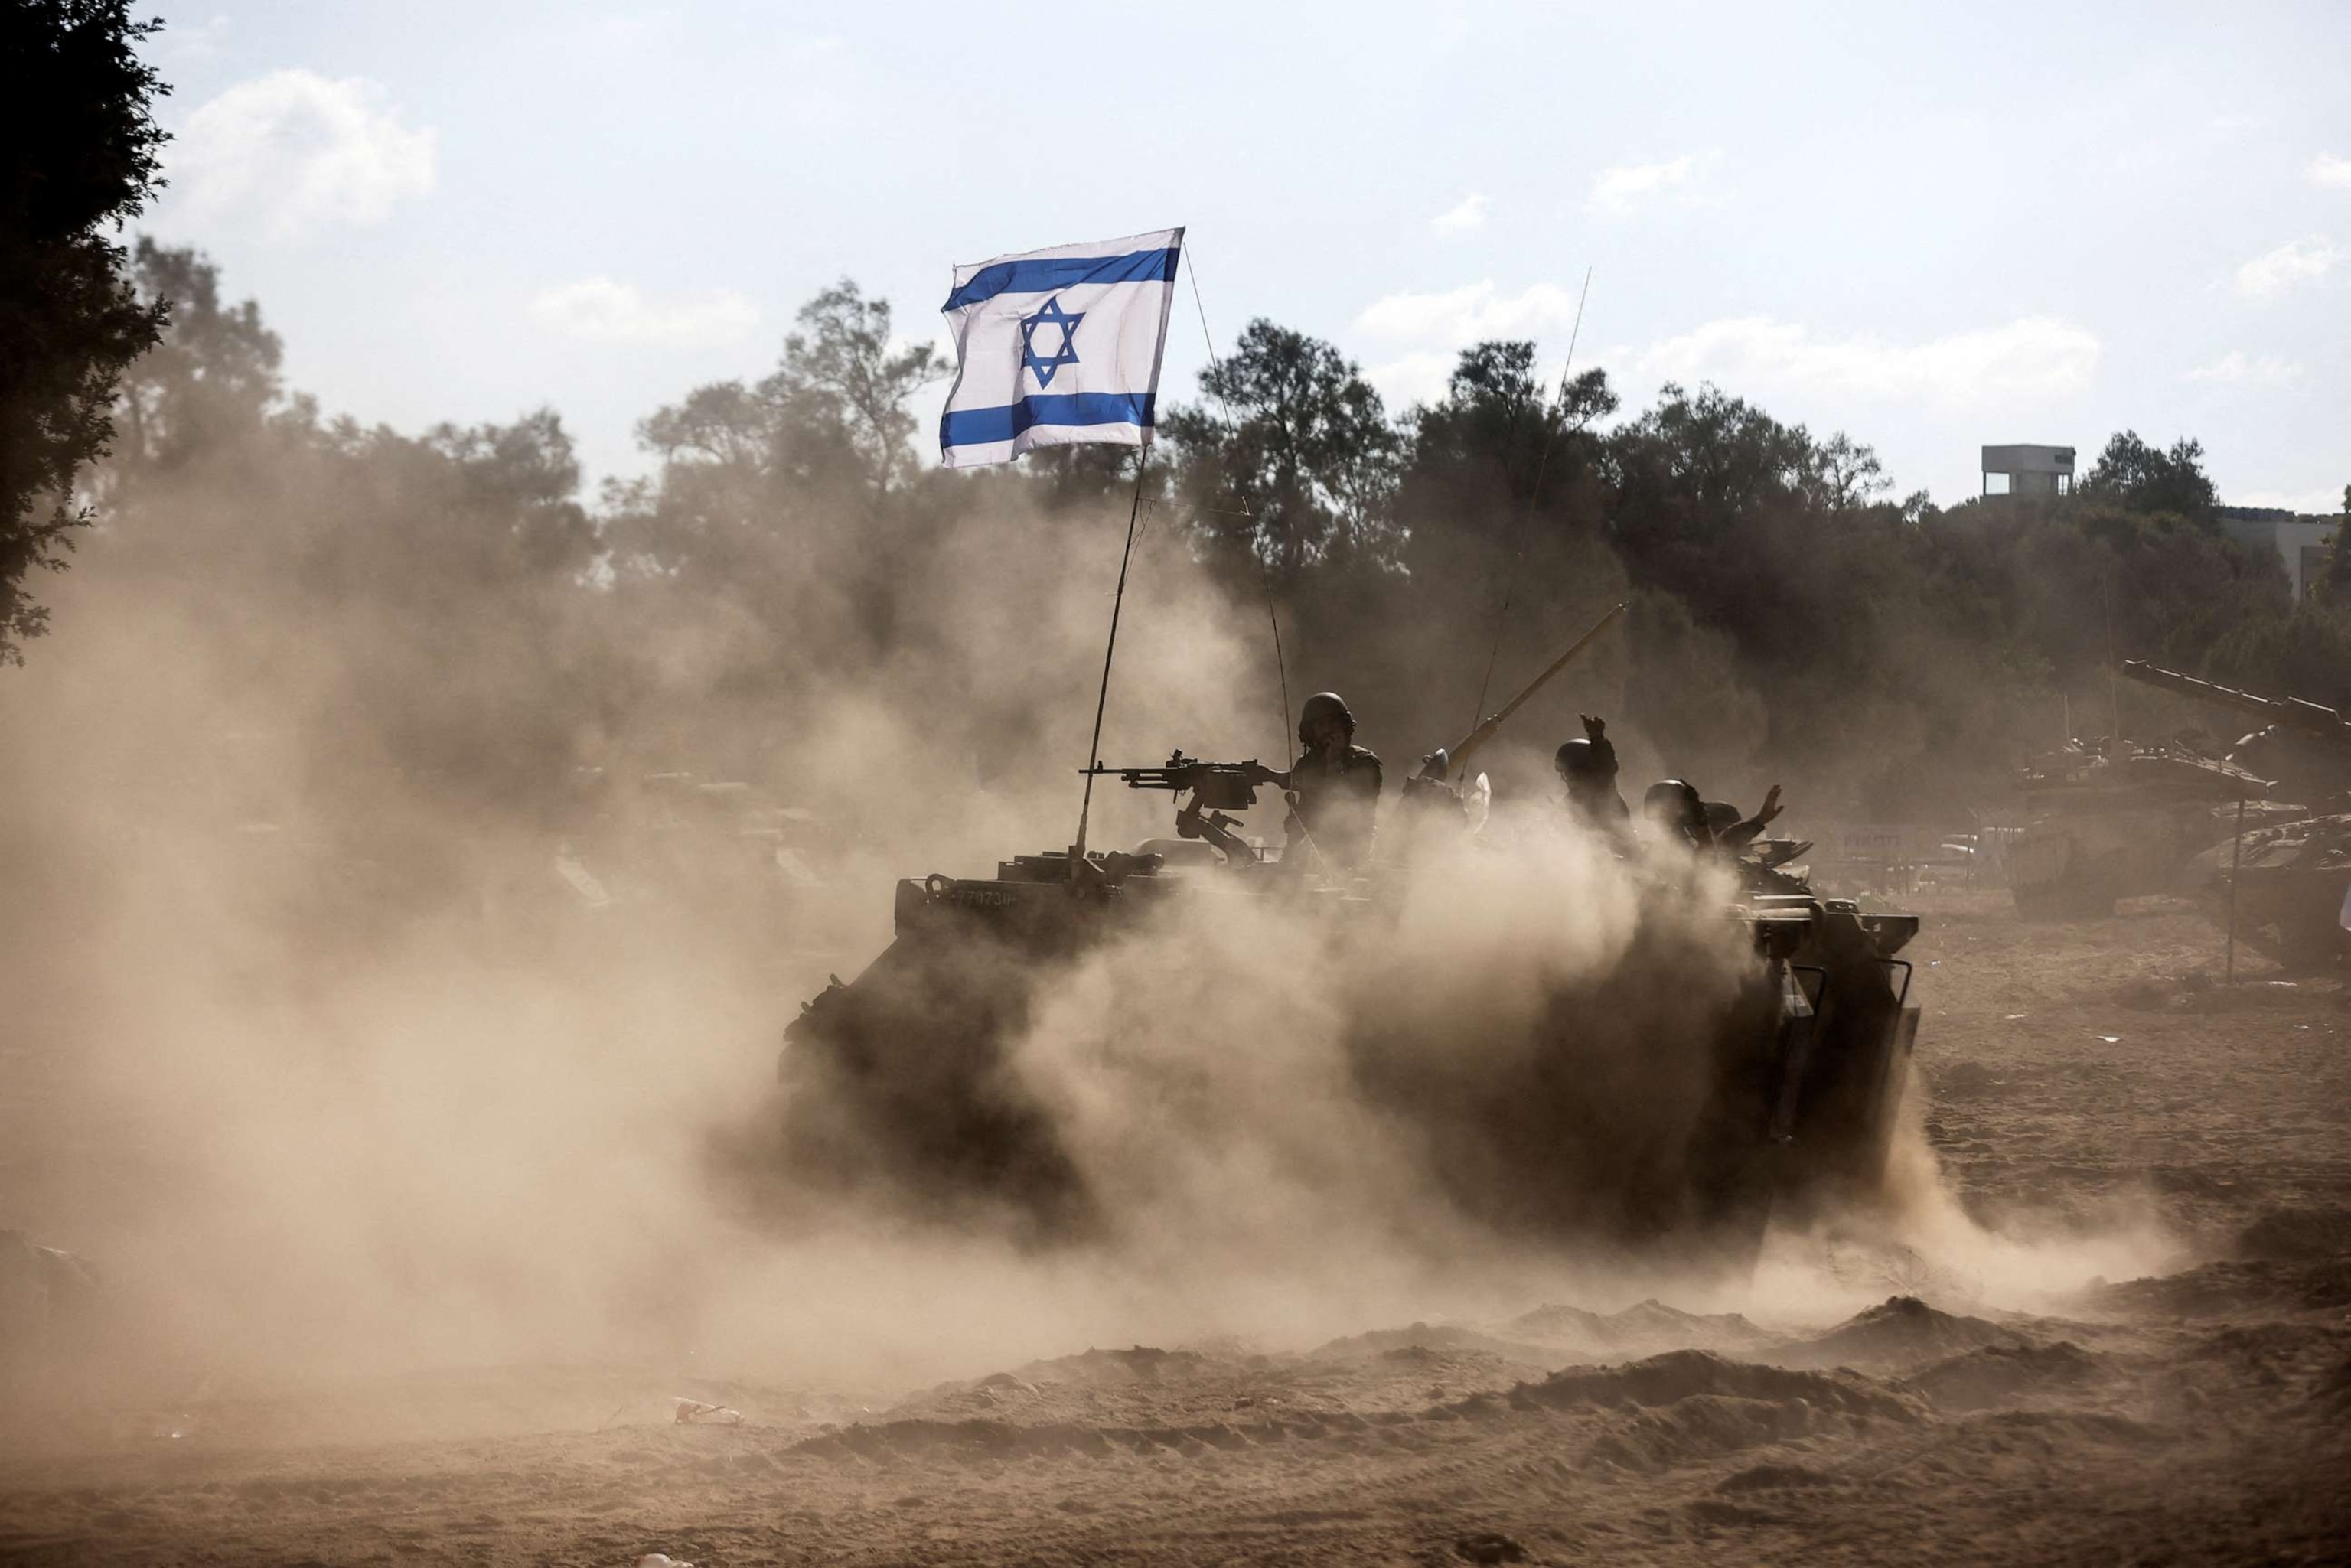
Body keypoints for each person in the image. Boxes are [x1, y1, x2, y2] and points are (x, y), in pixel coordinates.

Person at [1250, 690, 1383, 871]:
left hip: (1351, 855)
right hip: (1306, 854)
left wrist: (1333, 761)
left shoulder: (1364, 763)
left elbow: (1346, 809)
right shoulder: (1307, 764)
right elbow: (1294, 787)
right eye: (1321, 725)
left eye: (1333, 724)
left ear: (1344, 726)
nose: (1328, 731)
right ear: (1310, 732)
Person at [1555, 713, 1631, 839]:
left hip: (1614, 854)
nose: (1569, 780)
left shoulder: (1605, 794)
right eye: (1567, 775)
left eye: (1572, 773)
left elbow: (1605, 766)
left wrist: (1597, 739)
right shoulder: (1571, 801)